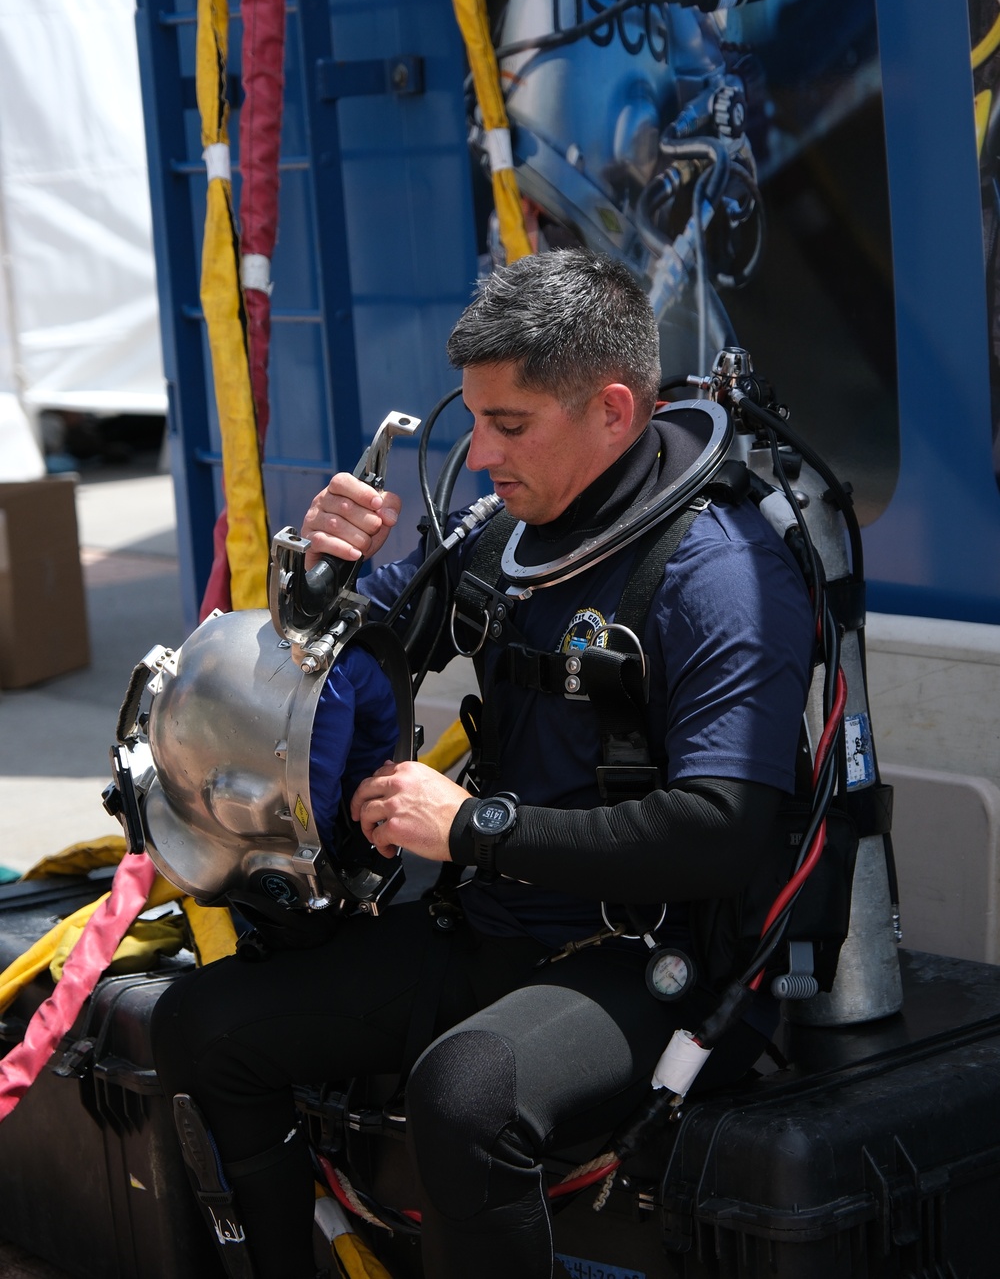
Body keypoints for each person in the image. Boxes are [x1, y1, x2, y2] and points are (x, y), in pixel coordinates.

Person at [151, 250, 815, 1279]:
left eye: (511, 425)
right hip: (494, 929)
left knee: (465, 1098)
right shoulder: (499, 531)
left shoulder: (716, 571)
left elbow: (723, 832)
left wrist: (471, 829)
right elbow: (357, 677)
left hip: (664, 962)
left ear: (611, 410)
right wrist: (326, 584)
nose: (483, 453)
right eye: (472, 419)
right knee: (203, 1024)